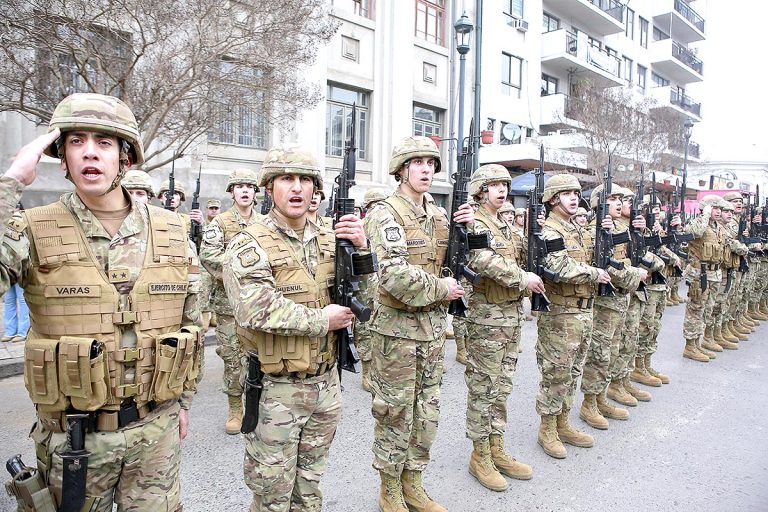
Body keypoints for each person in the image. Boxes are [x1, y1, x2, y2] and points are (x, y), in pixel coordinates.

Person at [1, 93, 201, 511]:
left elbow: (190, 321)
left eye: (104, 142)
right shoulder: (30, 229)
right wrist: (11, 183)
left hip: (155, 434)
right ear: (62, 157)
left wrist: (181, 401)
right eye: (76, 142)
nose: (90, 152)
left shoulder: (172, 230)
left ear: (125, 159)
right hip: (74, 440)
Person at [222, 145, 366, 511]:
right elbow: (253, 308)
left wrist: (363, 252)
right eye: (287, 179)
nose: (297, 187)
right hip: (276, 391)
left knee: (310, 487)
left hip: (325, 385)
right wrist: (322, 320)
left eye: (305, 180)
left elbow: (367, 302)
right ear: (269, 187)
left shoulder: (330, 239)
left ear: (316, 189)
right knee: (272, 493)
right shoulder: (249, 242)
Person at [366, 136, 473, 512]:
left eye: (431, 163)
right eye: (418, 163)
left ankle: (414, 481)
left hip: (430, 332)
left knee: (426, 411)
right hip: (395, 332)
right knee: (395, 412)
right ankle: (389, 488)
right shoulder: (384, 213)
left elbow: (455, 264)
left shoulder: (440, 215)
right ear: (401, 169)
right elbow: (392, 275)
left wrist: (470, 230)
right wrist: (442, 287)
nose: (427, 169)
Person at [463, 164, 543, 491]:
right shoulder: (474, 221)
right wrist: (523, 278)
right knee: (484, 387)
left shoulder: (504, 225)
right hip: (487, 317)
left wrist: (533, 234)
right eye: (494, 184)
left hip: (510, 316)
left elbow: (523, 256)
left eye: (504, 185)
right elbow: (482, 260)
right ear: (481, 189)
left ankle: (497, 447)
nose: (501, 189)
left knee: (503, 385)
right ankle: (479, 454)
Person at [535, 173, 611, 459]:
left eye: (576, 193)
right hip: (560, 314)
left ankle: (563, 422)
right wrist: (594, 273)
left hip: (583, 310)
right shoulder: (551, 231)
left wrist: (602, 231)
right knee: (556, 373)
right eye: (566, 193)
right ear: (553, 199)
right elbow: (559, 266)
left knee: (573, 372)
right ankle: (547, 429)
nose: (573, 198)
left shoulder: (576, 229)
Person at [199, 168, 260, 434]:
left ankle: (257, 406)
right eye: (239, 186)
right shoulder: (221, 223)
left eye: (249, 186)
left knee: (260, 358)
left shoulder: (265, 222)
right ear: (231, 192)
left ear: (256, 192)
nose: (245, 190)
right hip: (229, 307)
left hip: (259, 304)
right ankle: (236, 408)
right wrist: (241, 270)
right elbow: (208, 255)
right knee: (234, 360)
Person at [579, 185, 645, 430]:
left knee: (613, 351)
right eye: (612, 199)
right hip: (603, 302)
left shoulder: (620, 228)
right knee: (599, 354)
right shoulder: (593, 230)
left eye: (620, 199)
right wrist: (634, 275)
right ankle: (589, 403)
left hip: (619, 299)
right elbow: (607, 267)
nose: (618, 203)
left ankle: (601, 397)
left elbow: (629, 257)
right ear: (598, 203)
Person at [681, 194, 728, 362]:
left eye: (720, 209)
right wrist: (705, 214)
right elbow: (694, 232)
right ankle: (690, 346)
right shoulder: (698, 223)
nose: (718, 211)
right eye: (715, 208)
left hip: (714, 274)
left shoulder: (718, 227)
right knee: (695, 309)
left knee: (707, 310)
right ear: (706, 208)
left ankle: (698, 342)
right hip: (699, 273)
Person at [355, 187, 390, 391]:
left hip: (382, 286)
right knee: (364, 328)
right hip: (364, 286)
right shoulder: (361, 227)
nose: (377, 210)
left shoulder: (388, 226)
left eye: (380, 205)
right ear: (366, 209)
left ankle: (380, 368)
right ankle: (367, 371)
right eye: (373, 206)